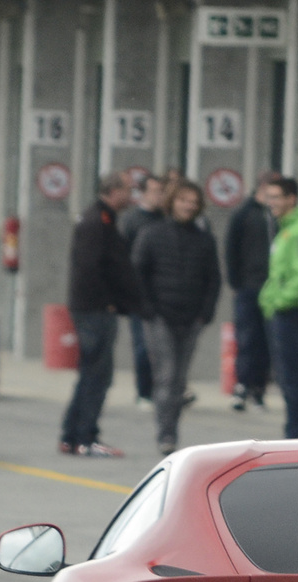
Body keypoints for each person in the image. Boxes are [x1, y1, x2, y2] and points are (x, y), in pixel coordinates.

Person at [130, 179, 220, 455]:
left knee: (180, 380)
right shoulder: (152, 233)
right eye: (183, 200)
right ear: (172, 203)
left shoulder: (204, 240)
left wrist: (205, 312)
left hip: (191, 317)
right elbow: (138, 272)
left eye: (193, 202)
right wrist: (146, 308)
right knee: (166, 375)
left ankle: (172, 428)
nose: (188, 206)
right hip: (160, 316)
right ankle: (166, 434)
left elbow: (213, 278)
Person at [60, 171, 140, 457]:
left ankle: (71, 435)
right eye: (128, 190)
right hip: (95, 310)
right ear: (113, 191)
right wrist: (108, 302)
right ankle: (85, 436)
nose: (131, 196)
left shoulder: (102, 219)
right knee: (97, 374)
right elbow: (91, 268)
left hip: (94, 308)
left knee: (90, 373)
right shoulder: (97, 221)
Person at [258, 176, 298, 439]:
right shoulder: (285, 229)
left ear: (290, 199)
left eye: (276, 197)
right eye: (268, 196)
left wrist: (280, 301)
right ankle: (295, 431)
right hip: (279, 311)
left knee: (294, 379)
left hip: (291, 313)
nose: (270, 202)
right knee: (286, 378)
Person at [225, 172, 278, 411]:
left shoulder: (276, 217)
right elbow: (231, 249)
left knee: (267, 339)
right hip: (249, 285)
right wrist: (237, 282)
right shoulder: (244, 214)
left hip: (272, 288)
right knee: (247, 337)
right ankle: (243, 385)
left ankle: (259, 387)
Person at [118, 174, 165, 405]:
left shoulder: (166, 219)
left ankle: (163, 390)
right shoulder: (131, 220)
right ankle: (144, 391)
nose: (159, 196)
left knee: (163, 347)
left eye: (162, 191)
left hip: (164, 293)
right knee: (142, 344)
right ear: (144, 193)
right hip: (139, 293)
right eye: (155, 191)